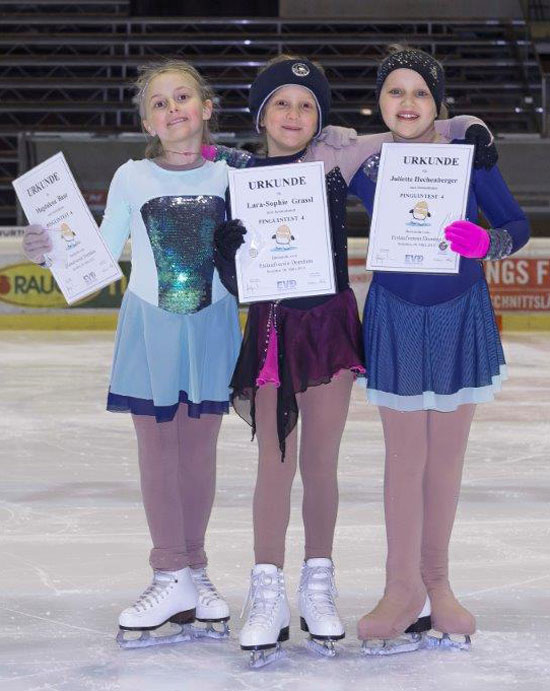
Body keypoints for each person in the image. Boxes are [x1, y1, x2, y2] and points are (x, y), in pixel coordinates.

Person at [206, 54, 493, 664]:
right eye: (281, 103)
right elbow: (238, 281)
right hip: (272, 330)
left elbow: (411, 129)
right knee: (274, 462)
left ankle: (318, 584)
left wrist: (469, 126)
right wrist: (228, 257)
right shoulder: (241, 177)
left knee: (322, 463)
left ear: (322, 118)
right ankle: (266, 590)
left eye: (306, 105)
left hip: (330, 327)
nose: (293, 115)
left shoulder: (338, 157)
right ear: (260, 114)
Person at [22, 59, 243, 648]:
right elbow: (96, 253)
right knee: (158, 452)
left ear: (207, 107)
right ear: (147, 122)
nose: (173, 110)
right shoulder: (131, 177)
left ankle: (195, 570)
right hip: (151, 326)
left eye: (183, 97)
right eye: (159, 104)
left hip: (212, 325)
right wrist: (48, 248)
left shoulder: (233, 176)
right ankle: (169, 570)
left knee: (199, 454)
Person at [346, 46, 530, 654]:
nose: (408, 103)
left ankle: (437, 585)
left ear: (437, 102)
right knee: (404, 460)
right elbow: (299, 158)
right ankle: (401, 588)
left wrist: (487, 242)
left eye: (421, 93)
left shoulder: (470, 156)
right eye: (395, 91)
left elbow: (518, 225)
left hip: (460, 312)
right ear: (379, 101)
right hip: (395, 314)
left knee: (445, 461)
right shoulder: (364, 163)